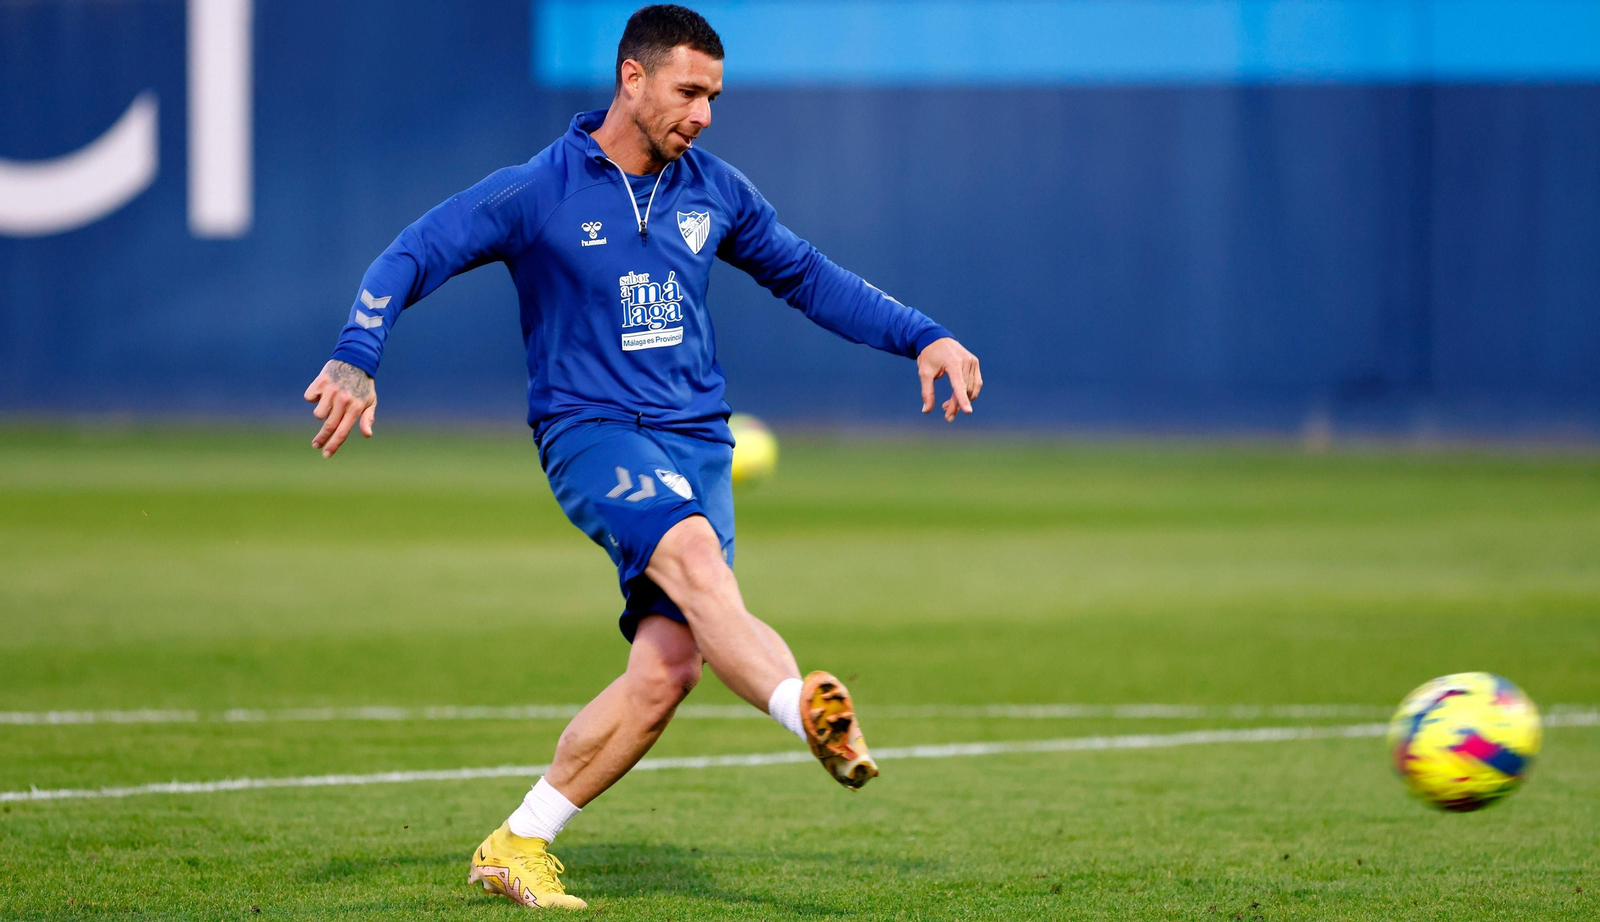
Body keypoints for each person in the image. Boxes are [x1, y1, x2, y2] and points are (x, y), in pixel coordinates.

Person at [303, 4, 982, 910]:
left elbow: (811, 277)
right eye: (689, 90)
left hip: (698, 441)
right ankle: (804, 711)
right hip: (594, 433)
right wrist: (358, 351)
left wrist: (922, 336)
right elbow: (412, 253)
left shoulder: (715, 191)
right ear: (633, 78)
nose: (703, 113)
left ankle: (518, 841)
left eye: (714, 96)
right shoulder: (539, 189)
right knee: (699, 565)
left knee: (669, 668)